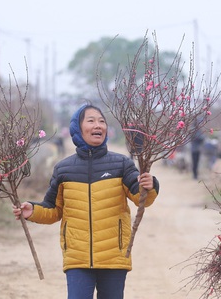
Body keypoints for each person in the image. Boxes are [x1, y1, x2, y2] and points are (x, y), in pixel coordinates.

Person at [13, 104, 160, 299]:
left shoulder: (121, 164)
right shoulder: (64, 169)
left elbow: (142, 199)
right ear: (78, 128)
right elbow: (54, 210)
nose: (97, 125)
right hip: (77, 258)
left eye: (101, 121)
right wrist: (32, 211)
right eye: (91, 121)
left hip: (113, 257)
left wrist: (150, 185)